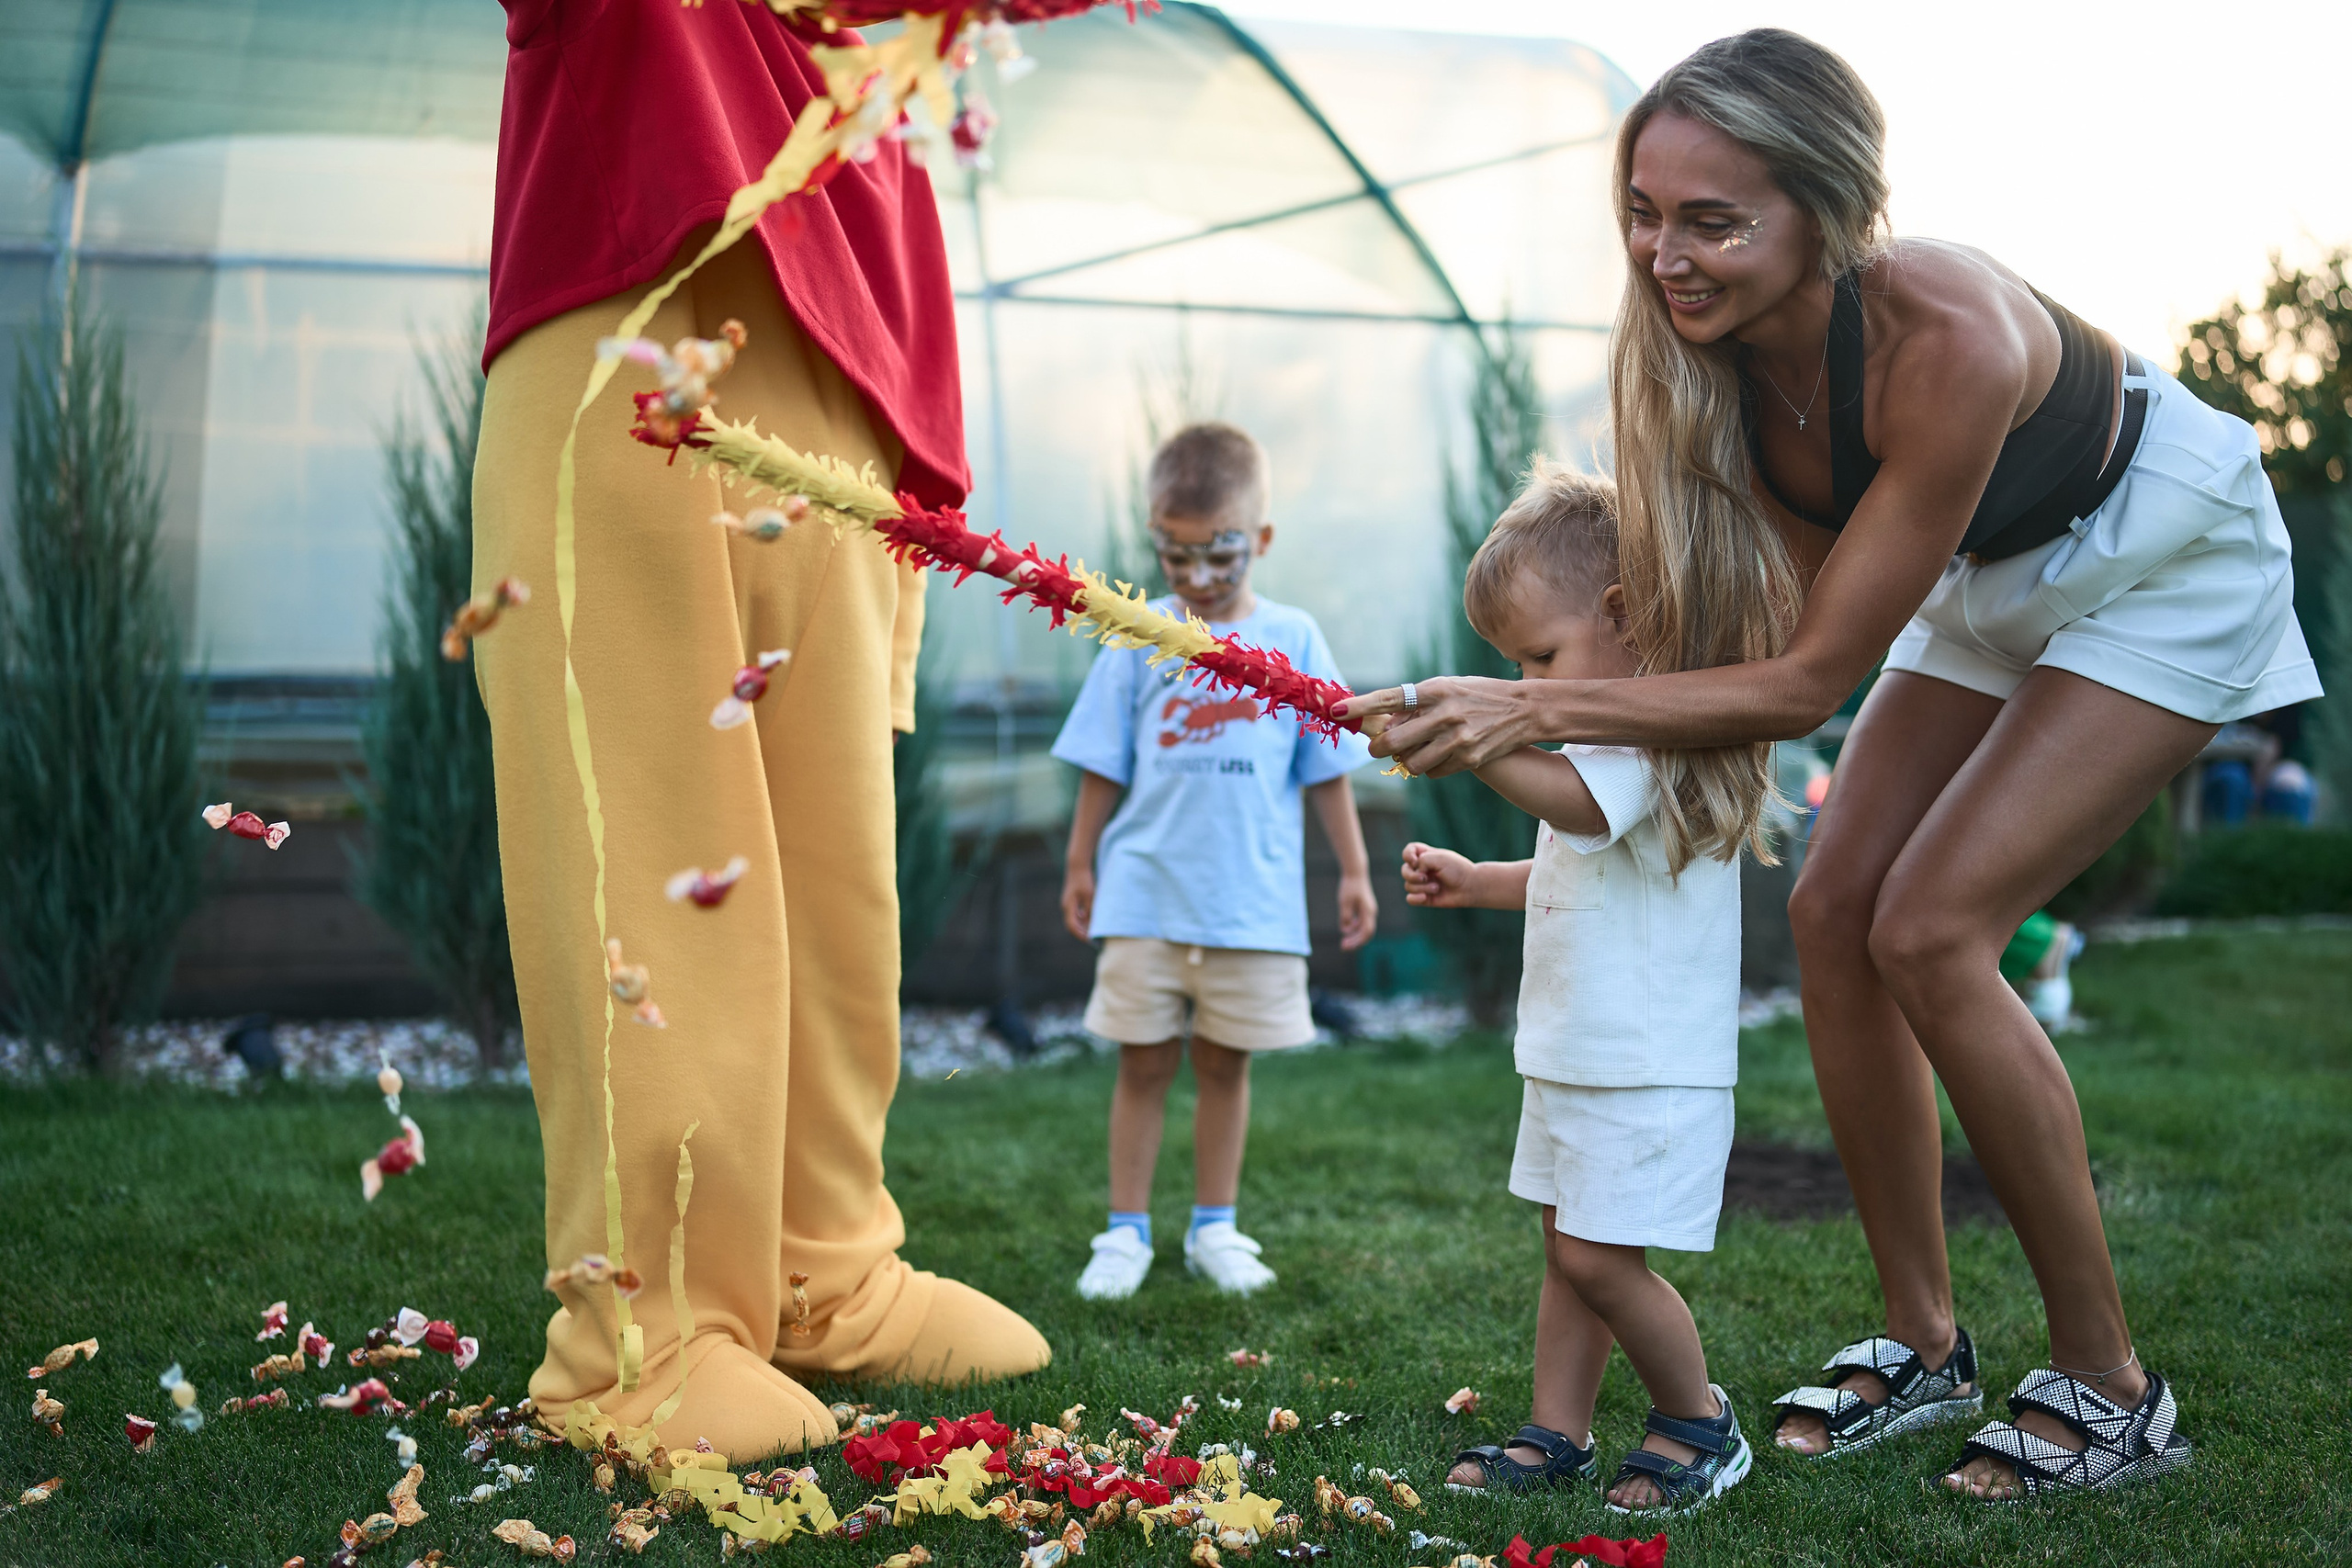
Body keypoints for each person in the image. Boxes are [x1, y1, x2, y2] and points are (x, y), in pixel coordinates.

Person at [1345, 28, 2320, 1499]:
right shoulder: (1700, 360)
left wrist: (1529, 714)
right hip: (1986, 569)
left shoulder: (1952, 336)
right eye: (1646, 210)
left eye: (1713, 221)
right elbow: (1738, 641)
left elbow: (1805, 681)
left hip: (2157, 555)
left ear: (1828, 213)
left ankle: (2114, 1386)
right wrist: (1520, 696)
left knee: (1930, 926)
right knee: (1828, 911)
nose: (1664, 254)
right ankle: (1925, 1341)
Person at [471, 0, 1047, 1461]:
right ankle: (639, 1336)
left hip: (849, 406)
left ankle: (823, 1268)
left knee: (836, 887)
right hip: (633, 337)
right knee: (663, 864)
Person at [1406, 464, 1752, 1515]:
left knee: (1601, 1260)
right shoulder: (1601, 747)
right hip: (1574, 1053)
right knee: (1569, 1251)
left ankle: (1699, 1422)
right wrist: (1480, 882)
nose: (1522, 685)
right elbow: (1576, 866)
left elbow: (1585, 813)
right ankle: (1557, 1431)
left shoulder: (1657, 733)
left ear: (1625, 616)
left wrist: (1480, 743)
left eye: (1538, 657)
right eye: (1510, 666)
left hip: (1642, 1064)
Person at [1053, 423, 1378, 1301]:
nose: (1195, 577)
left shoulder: (1294, 637)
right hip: (1144, 895)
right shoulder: (1138, 632)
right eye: (1176, 553)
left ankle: (1214, 1226)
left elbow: (1328, 767)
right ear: (1154, 537)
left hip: (1250, 904)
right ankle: (1124, 1233)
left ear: (1260, 540)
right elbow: (1101, 760)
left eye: (1219, 554)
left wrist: (1353, 870)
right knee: (1144, 1061)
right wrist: (1081, 862)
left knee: (1226, 1063)